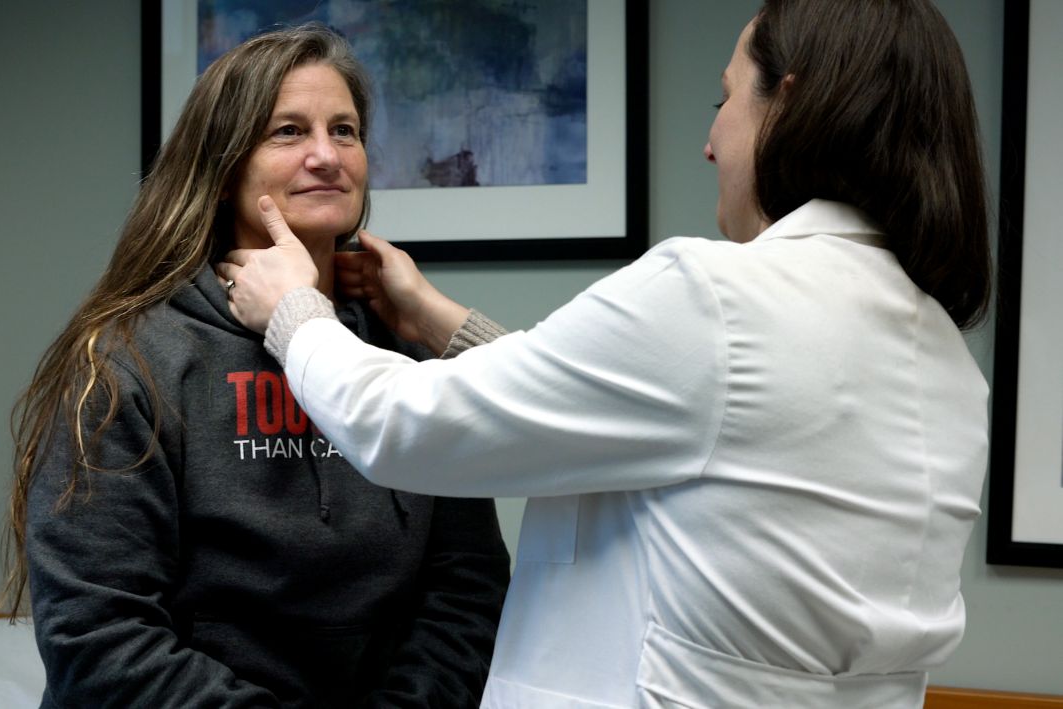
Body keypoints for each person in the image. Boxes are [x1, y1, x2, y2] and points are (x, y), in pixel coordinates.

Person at [219, 0, 992, 706]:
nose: (709, 140)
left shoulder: (713, 298)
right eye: (289, 131)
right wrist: (440, 323)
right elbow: (648, 408)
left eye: (723, 98)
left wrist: (294, 311)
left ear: (785, 101)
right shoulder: (944, 358)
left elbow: (401, 423)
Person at [0, 24, 511, 708]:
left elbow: (467, 588)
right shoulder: (127, 359)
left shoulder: (407, 352)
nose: (326, 155)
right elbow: (99, 636)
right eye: (289, 132)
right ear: (223, 166)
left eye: (346, 130)